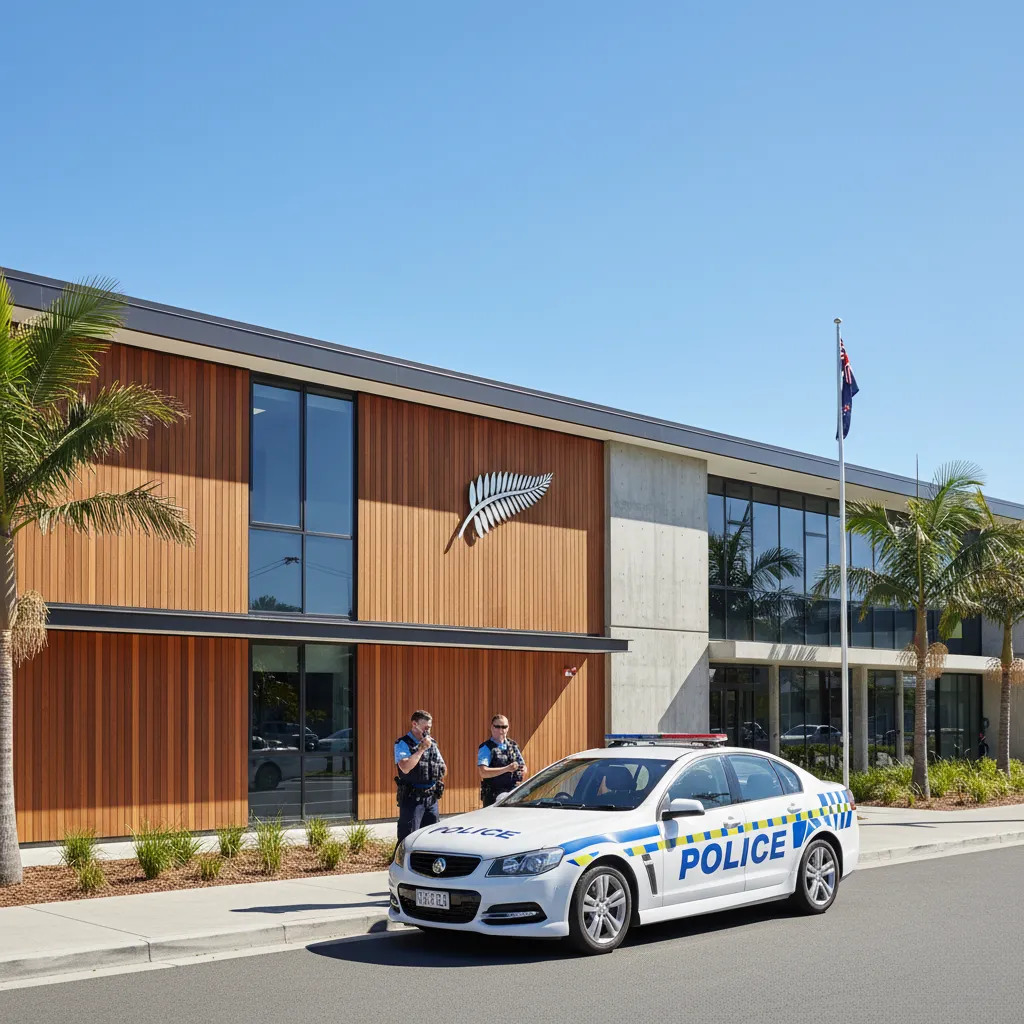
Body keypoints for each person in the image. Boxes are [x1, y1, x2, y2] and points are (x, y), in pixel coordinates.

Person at [394, 710, 446, 842]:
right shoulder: (402, 743)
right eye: (425, 727)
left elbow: (443, 767)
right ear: (414, 724)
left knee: (432, 838)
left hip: (431, 798)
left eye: (430, 727)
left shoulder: (432, 743)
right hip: (413, 799)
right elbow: (405, 768)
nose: (428, 730)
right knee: (408, 839)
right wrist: (421, 749)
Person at [477, 714, 527, 807]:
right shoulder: (486, 748)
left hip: (513, 794)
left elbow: (523, 765)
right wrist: (506, 769)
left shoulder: (513, 745)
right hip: (494, 797)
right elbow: (483, 772)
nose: (501, 730)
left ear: (508, 728)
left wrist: (522, 769)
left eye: (504, 727)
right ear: (492, 728)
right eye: (498, 727)